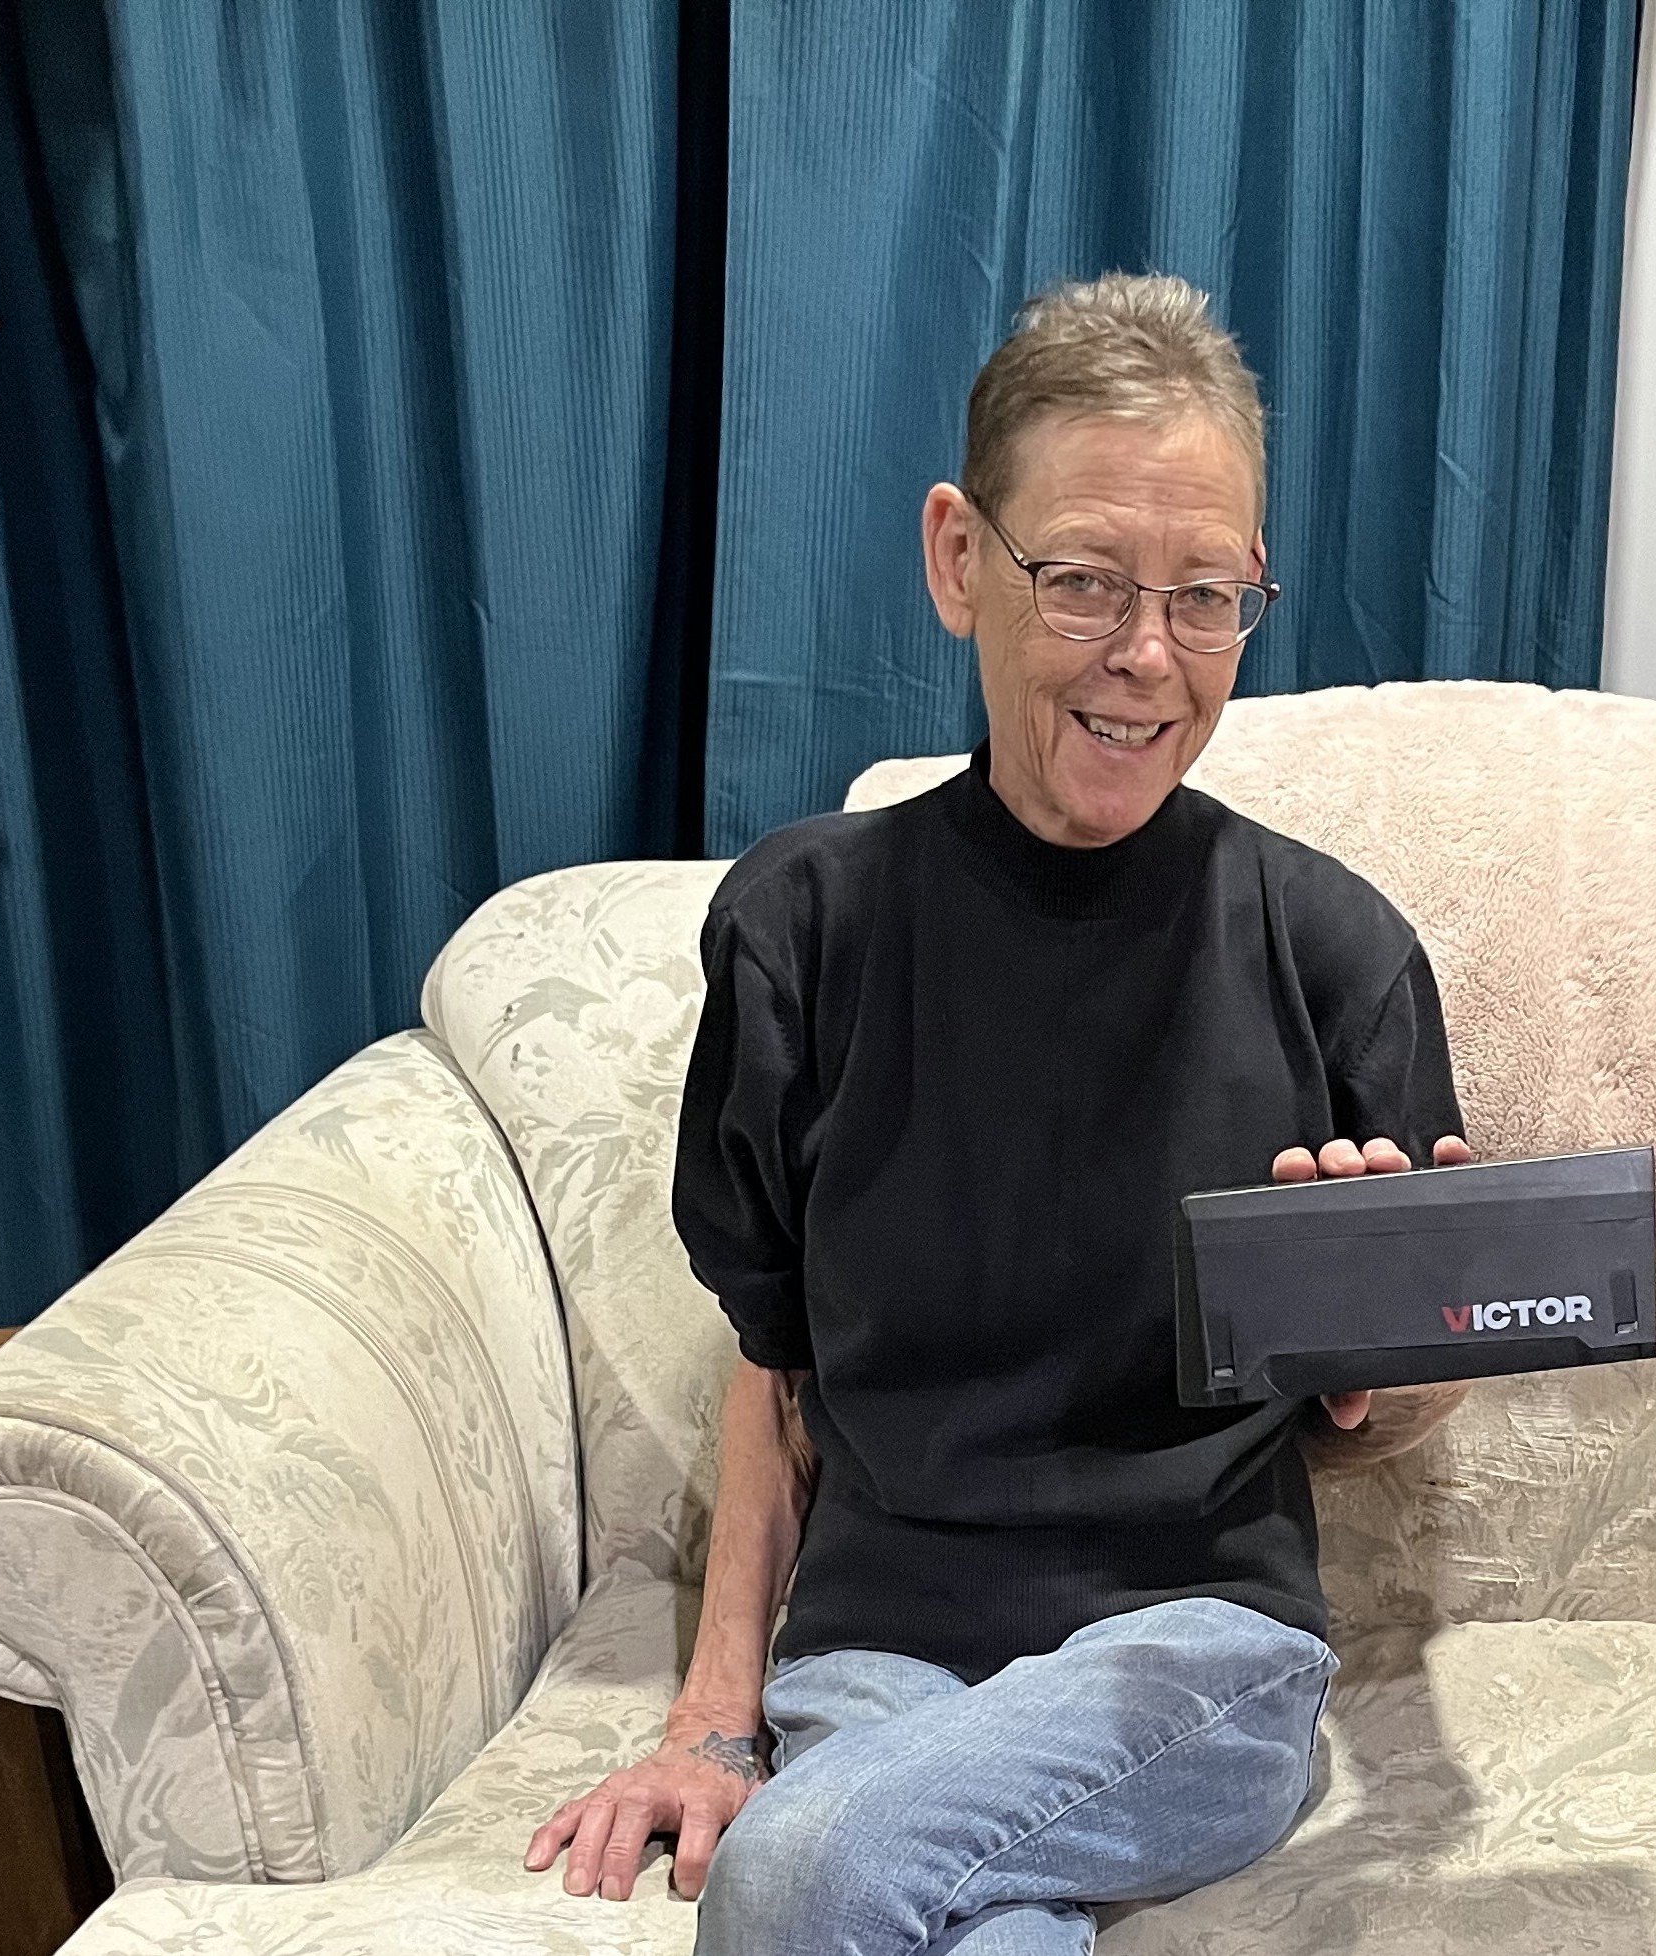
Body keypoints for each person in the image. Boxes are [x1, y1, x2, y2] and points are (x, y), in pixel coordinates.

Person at [524, 272, 1472, 1953]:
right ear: (960, 558)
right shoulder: (803, 928)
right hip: (877, 1662)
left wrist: (1393, 1367)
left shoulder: (1335, 952)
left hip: (1199, 1656)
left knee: (799, 1876)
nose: (1147, 659)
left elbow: (1381, 1422)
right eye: (1087, 580)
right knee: (950, 1921)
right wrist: (710, 1719)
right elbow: (775, 1363)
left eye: (1205, 597)